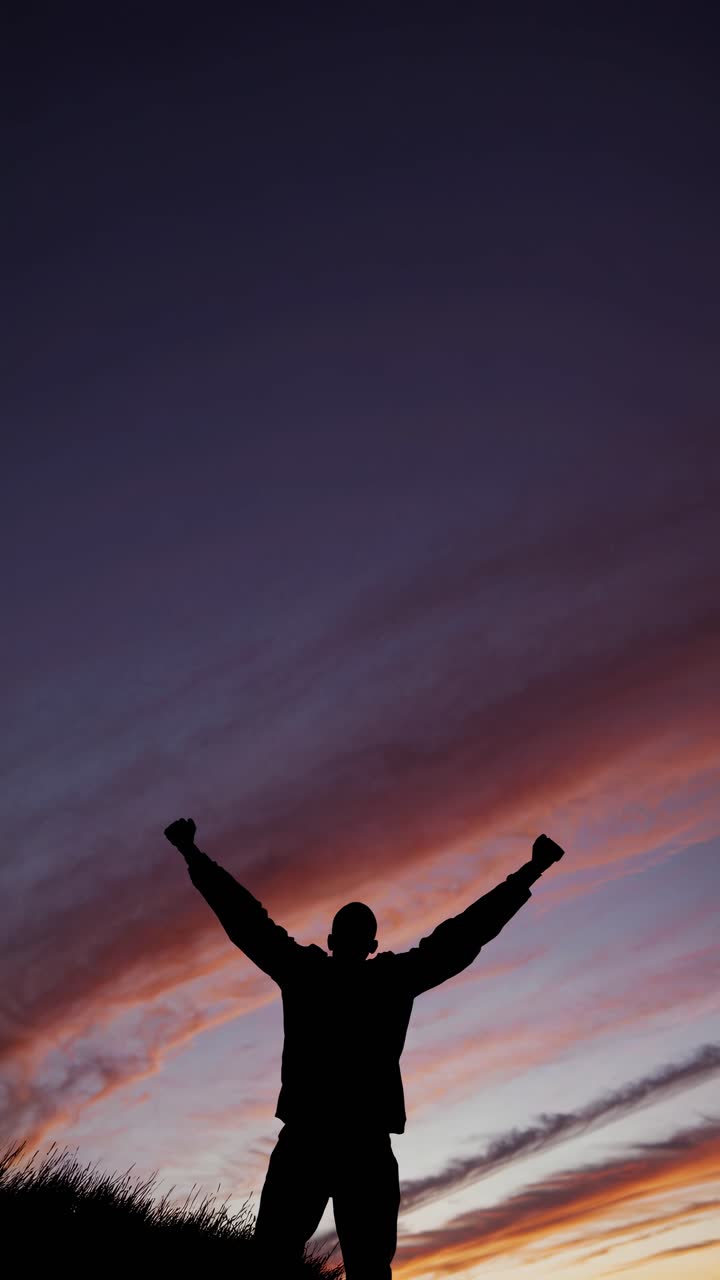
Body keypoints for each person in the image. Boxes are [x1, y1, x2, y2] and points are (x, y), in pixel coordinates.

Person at [164, 817, 565, 1278]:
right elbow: (463, 936)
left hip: (318, 1140)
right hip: (349, 1143)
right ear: (372, 945)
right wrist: (529, 872)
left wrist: (192, 855)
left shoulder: (308, 972)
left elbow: (247, 920)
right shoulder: (385, 980)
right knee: (343, 1266)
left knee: (286, 1261)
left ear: (335, 941)